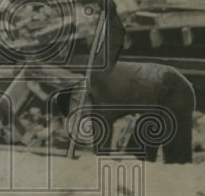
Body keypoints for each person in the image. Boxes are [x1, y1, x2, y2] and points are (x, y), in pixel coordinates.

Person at [56, 61, 195, 164]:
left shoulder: (101, 88)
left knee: (177, 160)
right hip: (154, 104)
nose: (84, 117)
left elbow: (101, 151)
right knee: (134, 156)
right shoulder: (95, 98)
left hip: (175, 89)